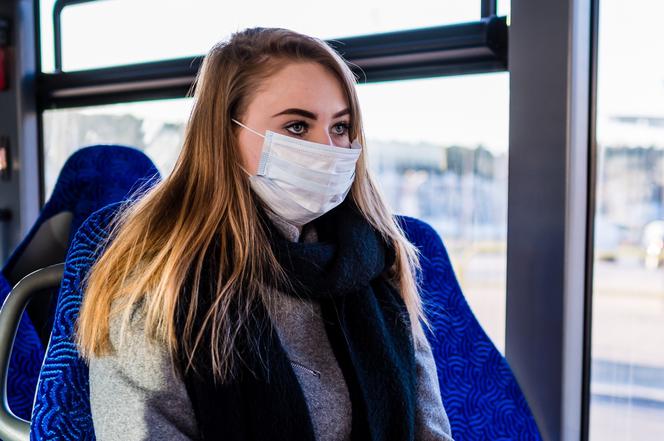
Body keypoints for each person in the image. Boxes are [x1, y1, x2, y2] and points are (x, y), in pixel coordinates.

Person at [76, 27, 454, 441]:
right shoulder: (160, 287)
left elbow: (429, 430)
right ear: (225, 135)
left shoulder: (375, 261)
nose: (327, 149)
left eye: (341, 127)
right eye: (296, 127)